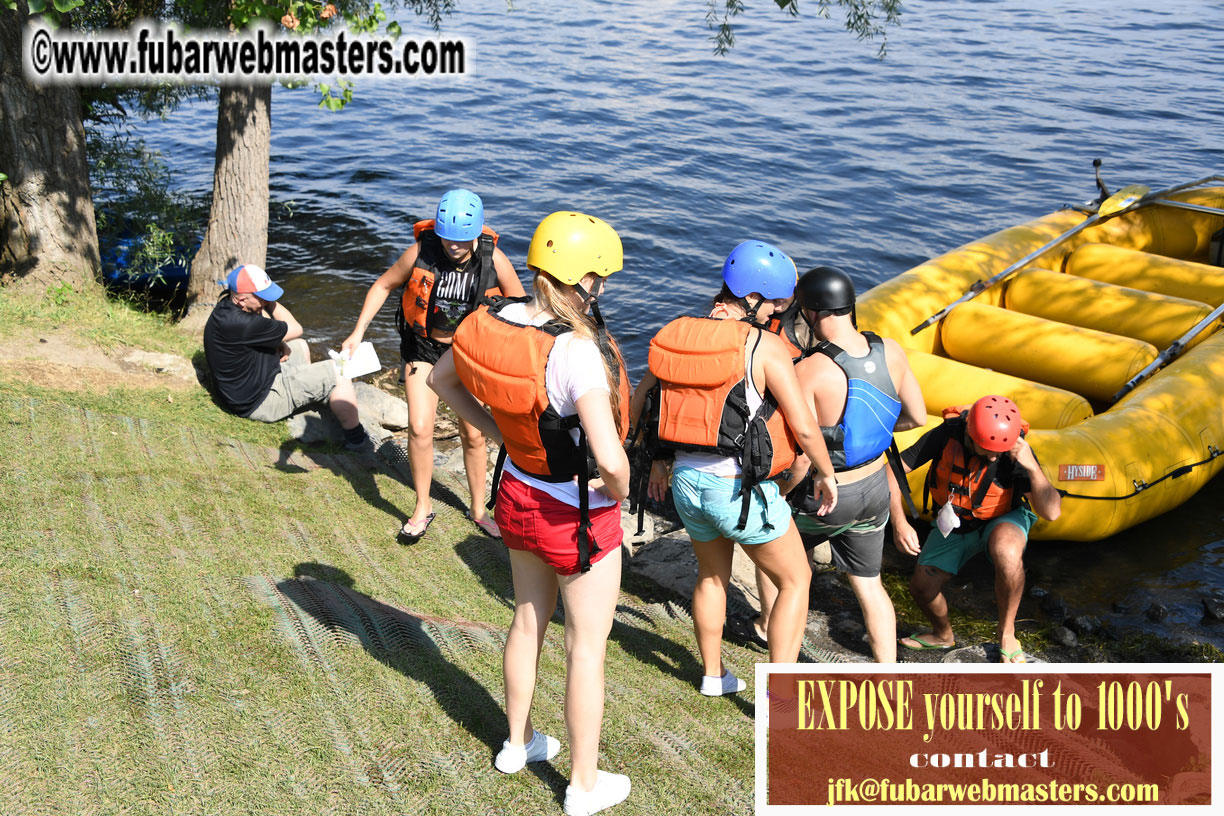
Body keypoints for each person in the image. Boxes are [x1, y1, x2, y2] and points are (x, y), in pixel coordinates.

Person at [429, 211, 632, 816]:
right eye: (601, 278)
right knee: (585, 648)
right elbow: (610, 456)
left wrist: (499, 433)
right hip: (578, 514)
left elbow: (442, 379)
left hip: (516, 494)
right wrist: (618, 492)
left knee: (526, 621)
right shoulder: (577, 352)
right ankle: (584, 786)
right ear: (585, 279)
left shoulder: (493, 318)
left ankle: (517, 746)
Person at [632, 241, 839, 688]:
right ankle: (780, 696)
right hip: (736, 489)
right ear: (752, 297)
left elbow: (643, 398)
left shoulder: (677, 332)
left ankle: (713, 675)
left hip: (685, 481)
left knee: (711, 577)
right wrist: (826, 472)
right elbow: (804, 427)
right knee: (796, 580)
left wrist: (652, 459)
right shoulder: (762, 346)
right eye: (775, 303)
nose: (777, 313)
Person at [342, 189, 525, 544]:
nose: (453, 247)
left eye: (461, 241)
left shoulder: (494, 260)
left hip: (469, 353)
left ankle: (479, 510)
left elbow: (519, 309)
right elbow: (382, 285)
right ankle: (423, 506)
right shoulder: (421, 251)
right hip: (423, 348)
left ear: (476, 234)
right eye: (448, 239)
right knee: (420, 428)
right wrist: (357, 331)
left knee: (473, 433)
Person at [773, 266, 926, 663]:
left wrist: (780, 493)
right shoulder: (890, 349)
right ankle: (888, 675)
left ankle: (766, 629)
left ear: (809, 312)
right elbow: (917, 417)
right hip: (875, 486)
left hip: (826, 495)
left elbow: (804, 456)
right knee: (870, 587)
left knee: (788, 570)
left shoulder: (809, 370)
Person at [888, 395, 1062, 664]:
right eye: (987, 449)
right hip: (957, 519)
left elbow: (1052, 512)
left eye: (998, 451)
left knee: (1006, 551)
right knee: (922, 588)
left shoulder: (1013, 449)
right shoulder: (949, 433)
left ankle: (1007, 633)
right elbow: (893, 472)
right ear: (970, 434)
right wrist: (899, 522)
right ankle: (942, 635)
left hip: (1003, 518)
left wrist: (1031, 465)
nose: (994, 455)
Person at [203, 263, 373, 453]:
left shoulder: (228, 305)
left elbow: (269, 331)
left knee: (299, 345)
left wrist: (275, 337)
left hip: (246, 387)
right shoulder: (245, 324)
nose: (266, 302)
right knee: (340, 372)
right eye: (262, 297)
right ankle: (357, 440)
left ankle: (313, 391)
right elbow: (296, 327)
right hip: (261, 401)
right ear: (242, 299)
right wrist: (272, 303)